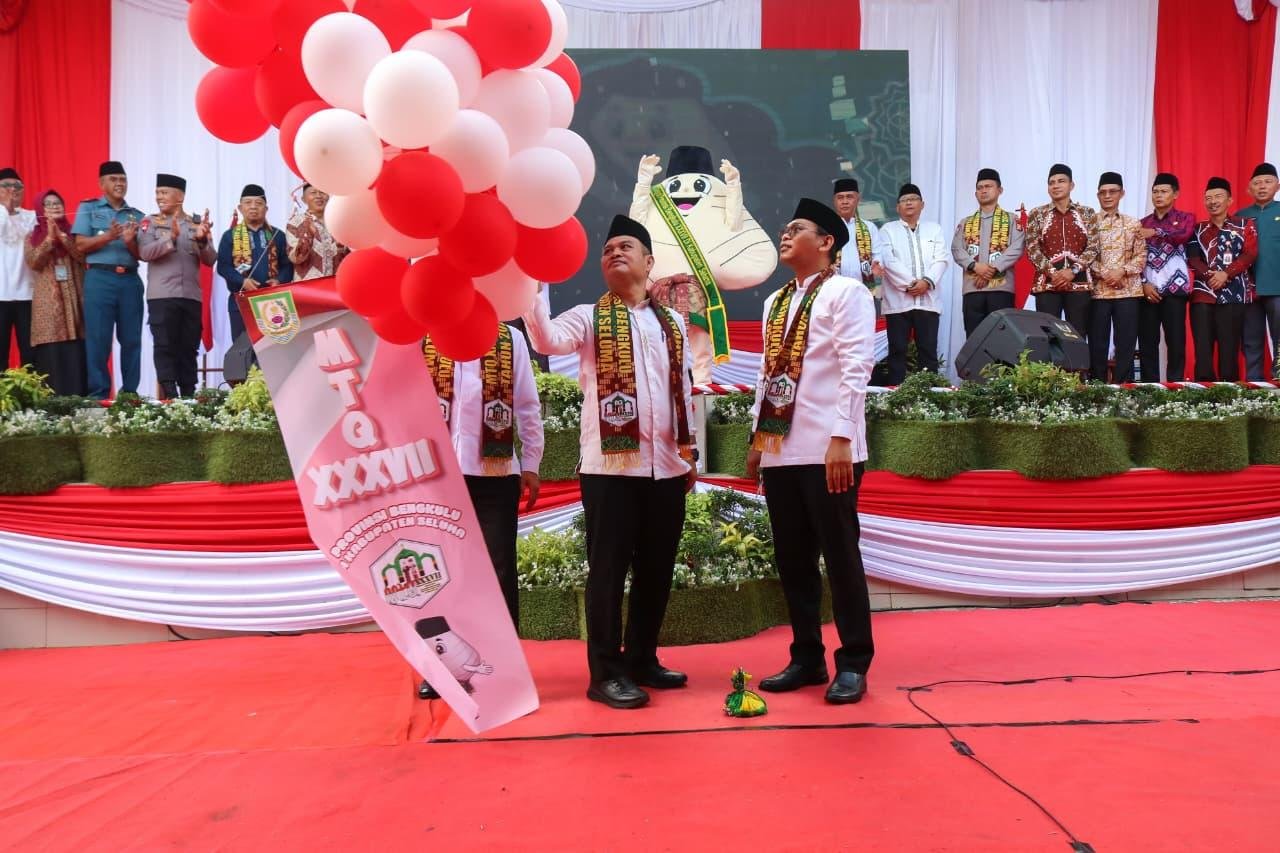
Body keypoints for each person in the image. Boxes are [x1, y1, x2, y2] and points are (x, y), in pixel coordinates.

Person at [522, 215, 696, 710]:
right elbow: (547, 341)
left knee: (656, 570)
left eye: (626, 246)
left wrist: (690, 454)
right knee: (607, 573)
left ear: (648, 261)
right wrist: (532, 286)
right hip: (609, 470)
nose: (615, 253)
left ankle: (643, 658)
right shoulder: (586, 316)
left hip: (666, 466)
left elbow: (682, 389)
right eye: (607, 250)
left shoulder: (673, 323)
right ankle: (605, 673)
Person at [744, 197, 876, 705]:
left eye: (795, 228)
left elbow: (856, 366)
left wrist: (843, 437)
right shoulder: (774, 302)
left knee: (840, 557)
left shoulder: (847, 292)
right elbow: (766, 376)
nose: (784, 233)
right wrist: (758, 440)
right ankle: (806, 657)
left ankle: (855, 661)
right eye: (784, 226)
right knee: (794, 560)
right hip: (782, 449)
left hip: (829, 447)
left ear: (825, 242)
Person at [416, 322, 544, 700]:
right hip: (436, 471)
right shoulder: (423, 335)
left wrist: (532, 462)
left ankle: (503, 667)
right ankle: (441, 668)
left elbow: (526, 403)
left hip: (495, 470)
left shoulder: (509, 338)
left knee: (498, 570)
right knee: (440, 571)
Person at [71, 161, 145, 400]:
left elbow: (142, 255)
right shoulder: (88, 208)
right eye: (113, 179)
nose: (119, 183)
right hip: (99, 278)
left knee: (132, 339)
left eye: (123, 179)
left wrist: (129, 241)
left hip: (130, 281)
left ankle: (130, 394)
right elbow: (80, 245)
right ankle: (99, 394)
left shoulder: (137, 215)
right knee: (98, 340)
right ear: (101, 184)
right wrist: (109, 237)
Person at [139, 174, 215, 399]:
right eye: (157, 193)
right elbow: (145, 252)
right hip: (162, 295)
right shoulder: (150, 222)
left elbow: (210, 259)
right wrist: (170, 239)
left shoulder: (196, 223)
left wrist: (202, 241)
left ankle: (189, 394)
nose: (159, 197)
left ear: (180, 196)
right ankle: (170, 396)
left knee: (189, 348)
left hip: (191, 296)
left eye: (164, 192)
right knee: (164, 346)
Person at [876, 183, 948, 383]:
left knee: (928, 351)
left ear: (922, 204)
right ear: (897, 207)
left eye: (913, 199)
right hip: (898, 302)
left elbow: (941, 259)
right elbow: (888, 260)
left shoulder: (934, 229)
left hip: (928, 300)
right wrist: (910, 284)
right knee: (897, 350)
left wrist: (926, 282)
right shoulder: (887, 230)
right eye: (904, 200)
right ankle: (895, 395)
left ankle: (929, 397)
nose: (909, 203)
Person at [1187, 177, 1257, 382]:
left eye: (1218, 196)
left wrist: (1226, 273)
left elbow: (1250, 254)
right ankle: (1203, 397)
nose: (1213, 201)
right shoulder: (1197, 229)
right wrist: (1211, 276)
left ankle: (1228, 397)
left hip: (1234, 295)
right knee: (1203, 351)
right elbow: (1192, 258)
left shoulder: (1244, 225)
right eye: (1208, 198)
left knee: (1229, 350)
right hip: (1202, 296)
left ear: (1230, 200)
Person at [1026, 163, 1101, 336]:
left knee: (1078, 333)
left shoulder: (1087, 213)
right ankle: (1049, 365)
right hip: (1047, 284)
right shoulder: (1037, 214)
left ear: (1071, 185)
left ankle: (1077, 365)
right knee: (1047, 334)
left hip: (1079, 283)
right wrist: (1054, 273)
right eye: (1051, 182)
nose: (1056, 185)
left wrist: (1072, 271)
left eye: (1061, 181)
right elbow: (1032, 248)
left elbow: (1093, 246)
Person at [24, 190, 86, 395]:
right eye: (49, 204)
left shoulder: (75, 233)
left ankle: (79, 401)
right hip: (48, 306)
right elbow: (34, 261)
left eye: (58, 203)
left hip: (76, 300)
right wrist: (50, 239)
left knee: (76, 349)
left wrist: (63, 238)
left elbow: (82, 257)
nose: (55, 206)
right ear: (40, 210)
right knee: (52, 352)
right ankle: (53, 404)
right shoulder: (32, 236)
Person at [951, 168, 1025, 337]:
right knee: (974, 336)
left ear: (1000, 190)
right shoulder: (966, 222)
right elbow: (956, 249)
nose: (983, 190)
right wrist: (975, 266)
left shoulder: (1012, 219)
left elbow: (1017, 247)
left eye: (988, 186)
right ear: (975, 193)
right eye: (980, 187)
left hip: (1002, 289)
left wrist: (992, 269)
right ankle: (976, 365)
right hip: (972, 289)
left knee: (1002, 337)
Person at [216, 184, 293, 343]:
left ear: (266, 209)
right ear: (240, 207)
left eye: (258, 203)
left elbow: (288, 265)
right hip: (241, 300)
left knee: (275, 346)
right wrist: (242, 281)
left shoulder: (277, 235)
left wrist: (279, 280)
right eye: (248, 203)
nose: (253, 207)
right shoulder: (230, 236)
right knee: (242, 348)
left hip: (273, 300)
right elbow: (223, 267)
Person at [1088, 172, 1146, 383]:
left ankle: (1124, 388)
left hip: (1128, 291)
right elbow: (1085, 256)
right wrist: (1106, 274)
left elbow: (1141, 256)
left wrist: (1121, 271)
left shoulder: (1133, 223)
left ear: (1122, 193)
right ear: (1097, 195)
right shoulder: (1089, 223)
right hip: (1098, 292)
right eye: (1103, 192)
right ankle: (1098, 387)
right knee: (1097, 343)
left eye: (1112, 191)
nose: (1107, 196)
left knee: (1126, 342)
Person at [1138, 173, 1196, 382]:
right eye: (1155, 192)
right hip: (1149, 290)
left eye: (1163, 191)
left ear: (1175, 194)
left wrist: (1154, 232)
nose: (1158, 195)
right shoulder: (1141, 223)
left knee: (1176, 342)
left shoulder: (1186, 219)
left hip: (1175, 290)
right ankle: (1149, 388)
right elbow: (1135, 258)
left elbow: (1181, 235)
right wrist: (1144, 284)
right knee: (1147, 342)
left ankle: (1176, 386)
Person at [1238, 163, 1280, 379]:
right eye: (1257, 183)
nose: (1262, 186)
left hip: (1277, 287)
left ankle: (1279, 380)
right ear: (1249, 189)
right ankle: (1254, 386)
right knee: (1250, 340)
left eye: (1267, 181)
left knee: (1279, 338)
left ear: (1278, 185)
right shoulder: (1240, 216)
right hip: (1248, 290)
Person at [0, 167, 37, 368]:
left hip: (27, 294)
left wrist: (12, 210)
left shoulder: (30, 216)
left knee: (30, 353)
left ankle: (30, 397)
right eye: (6, 186)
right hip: (0, 294)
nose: (12, 190)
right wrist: (5, 208)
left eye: (17, 186)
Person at [832, 177, 883, 314]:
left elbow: (878, 253)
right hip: (834, 293)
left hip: (864, 291)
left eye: (849, 197)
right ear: (834, 201)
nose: (845, 201)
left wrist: (878, 264)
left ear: (858, 199)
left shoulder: (869, 227)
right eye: (840, 197)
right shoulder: (826, 228)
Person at [286, 183, 347, 281]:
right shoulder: (295, 222)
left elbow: (348, 258)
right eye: (313, 193)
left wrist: (341, 247)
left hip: (336, 283)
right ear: (303, 199)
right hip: (309, 287)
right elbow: (296, 258)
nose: (318, 196)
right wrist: (308, 235)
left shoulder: (338, 222)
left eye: (322, 192)